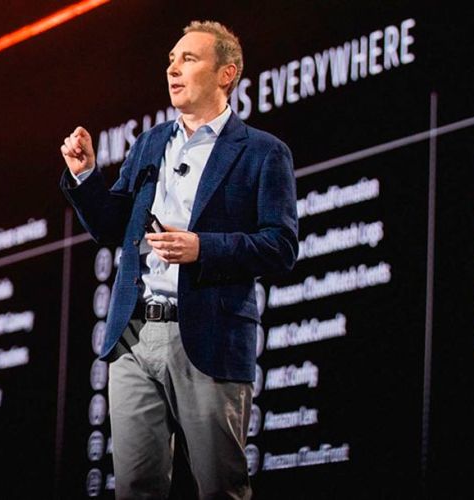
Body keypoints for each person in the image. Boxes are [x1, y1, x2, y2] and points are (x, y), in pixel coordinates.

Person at [60, 20, 298, 499]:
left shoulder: (263, 153)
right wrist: (86, 177)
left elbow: (280, 246)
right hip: (133, 336)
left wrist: (202, 248)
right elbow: (112, 228)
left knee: (220, 487)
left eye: (188, 59)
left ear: (226, 73)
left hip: (208, 337)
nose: (173, 68)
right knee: (135, 487)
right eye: (170, 59)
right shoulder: (150, 144)